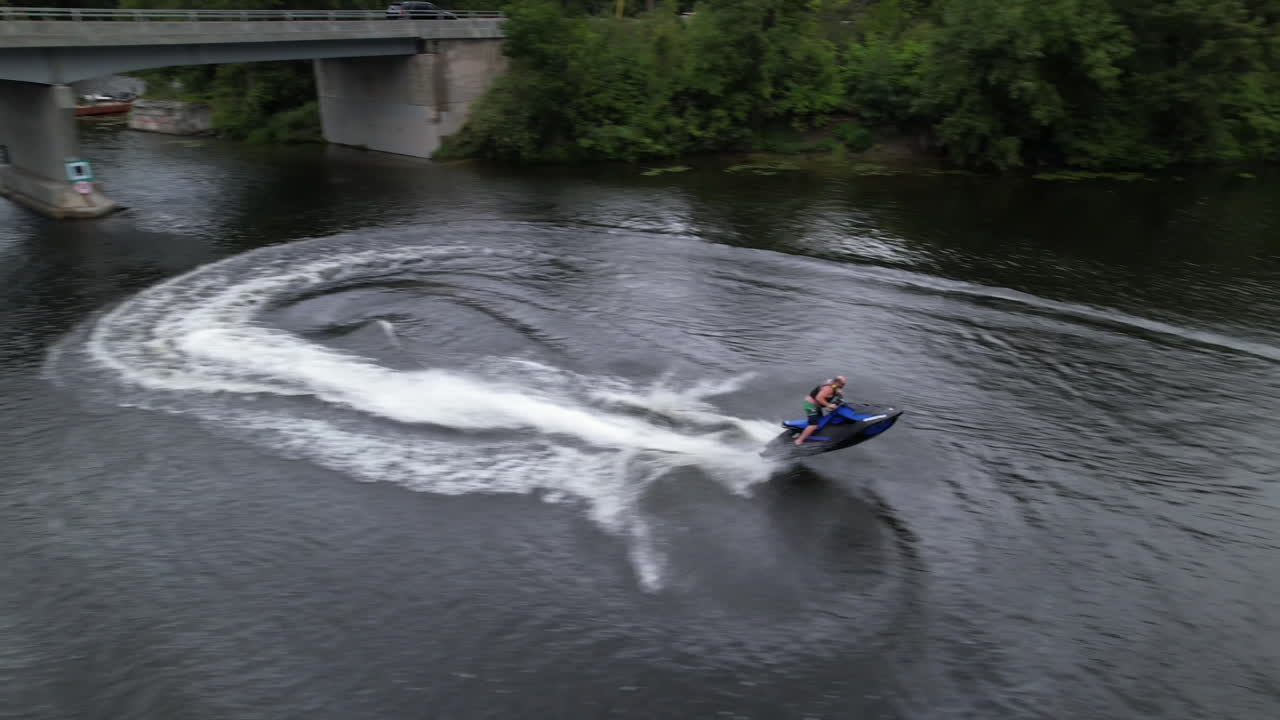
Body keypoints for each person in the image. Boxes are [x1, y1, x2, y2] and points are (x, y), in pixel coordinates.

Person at [794, 376, 847, 446]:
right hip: (810, 405)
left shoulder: (833, 384)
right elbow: (819, 398)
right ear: (837, 382)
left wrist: (838, 392)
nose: (843, 386)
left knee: (821, 421)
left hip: (816, 406)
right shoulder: (828, 388)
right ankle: (799, 440)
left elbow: (834, 388)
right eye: (842, 384)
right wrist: (829, 405)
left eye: (844, 384)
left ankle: (809, 433)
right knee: (813, 425)